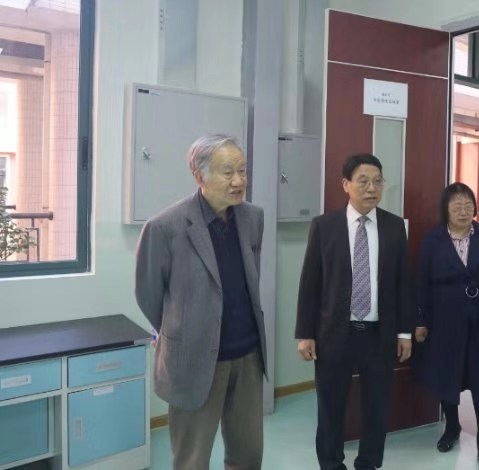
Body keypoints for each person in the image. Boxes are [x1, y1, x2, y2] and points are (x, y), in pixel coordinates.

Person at [134, 134, 267, 470]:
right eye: (228, 172)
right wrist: (178, 330)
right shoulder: (164, 227)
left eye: (242, 170)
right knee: (191, 460)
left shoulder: (253, 218)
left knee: (249, 456)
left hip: (248, 356)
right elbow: (148, 294)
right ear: (199, 174)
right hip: (193, 360)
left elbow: (250, 280)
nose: (238, 181)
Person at [295, 153, 415, 470]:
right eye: (363, 181)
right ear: (346, 184)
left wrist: (404, 331)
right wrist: (305, 334)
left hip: (379, 333)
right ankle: (331, 464)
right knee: (330, 406)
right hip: (335, 333)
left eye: (377, 181)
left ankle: (368, 463)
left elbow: (403, 283)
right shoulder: (324, 226)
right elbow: (310, 284)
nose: (371, 188)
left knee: (377, 406)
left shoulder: (394, 227)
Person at [413, 182, 479, 466]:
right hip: (444, 321)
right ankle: (452, 427)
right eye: (457, 205)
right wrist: (420, 321)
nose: (463, 210)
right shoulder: (433, 240)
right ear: (445, 209)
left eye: (468, 205)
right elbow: (421, 283)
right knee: (447, 375)